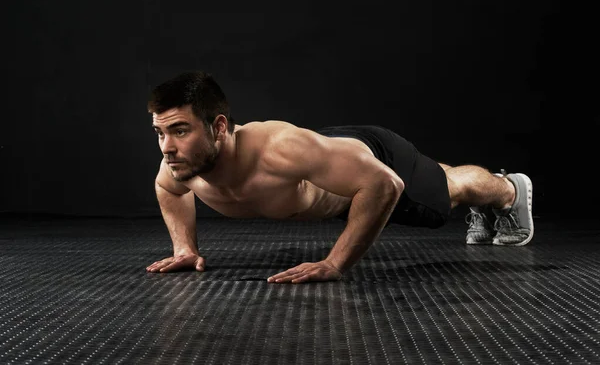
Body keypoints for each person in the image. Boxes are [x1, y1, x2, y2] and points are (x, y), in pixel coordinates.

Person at [145, 71, 533, 284]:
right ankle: (471, 191)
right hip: (333, 156)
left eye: (180, 130)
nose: (167, 146)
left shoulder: (279, 149)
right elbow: (168, 189)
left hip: (377, 156)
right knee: (434, 176)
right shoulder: (181, 166)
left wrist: (335, 264)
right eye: (160, 133)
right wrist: (185, 250)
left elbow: (384, 184)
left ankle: (508, 190)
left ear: (219, 127)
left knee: (446, 194)